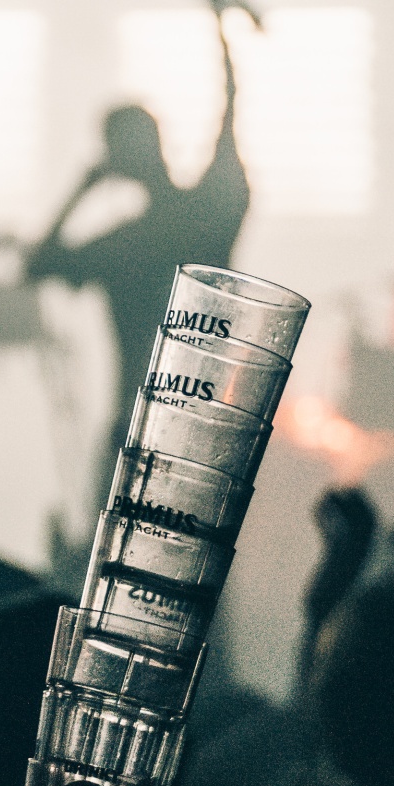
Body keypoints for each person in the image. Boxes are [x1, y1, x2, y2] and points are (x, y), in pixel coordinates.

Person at [25, 30, 249, 495]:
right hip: (210, 422)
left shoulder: (125, 243)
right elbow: (230, 120)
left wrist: (82, 187)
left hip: (137, 422)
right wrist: (222, 27)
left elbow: (37, 264)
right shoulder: (205, 212)